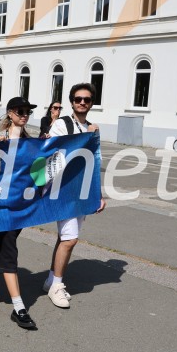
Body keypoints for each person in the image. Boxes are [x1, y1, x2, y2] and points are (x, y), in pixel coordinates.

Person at [0, 97, 39, 329]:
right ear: (10, 113)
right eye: (20, 111)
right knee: (9, 251)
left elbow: (37, 173)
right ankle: (19, 307)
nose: (24, 115)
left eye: (28, 112)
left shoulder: (31, 142)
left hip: (19, 206)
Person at [44, 83, 106, 308]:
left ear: (91, 103)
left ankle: (51, 279)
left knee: (64, 237)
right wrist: (87, 139)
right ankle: (57, 286)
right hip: (64, 188)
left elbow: (94, 163)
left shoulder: (93, 127)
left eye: (87, 99)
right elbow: (55, 154)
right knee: (71, 240)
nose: (82, 102)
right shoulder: (62, 124)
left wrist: (98, 194)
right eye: (78, 99)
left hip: (83, 189)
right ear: (72, 102)